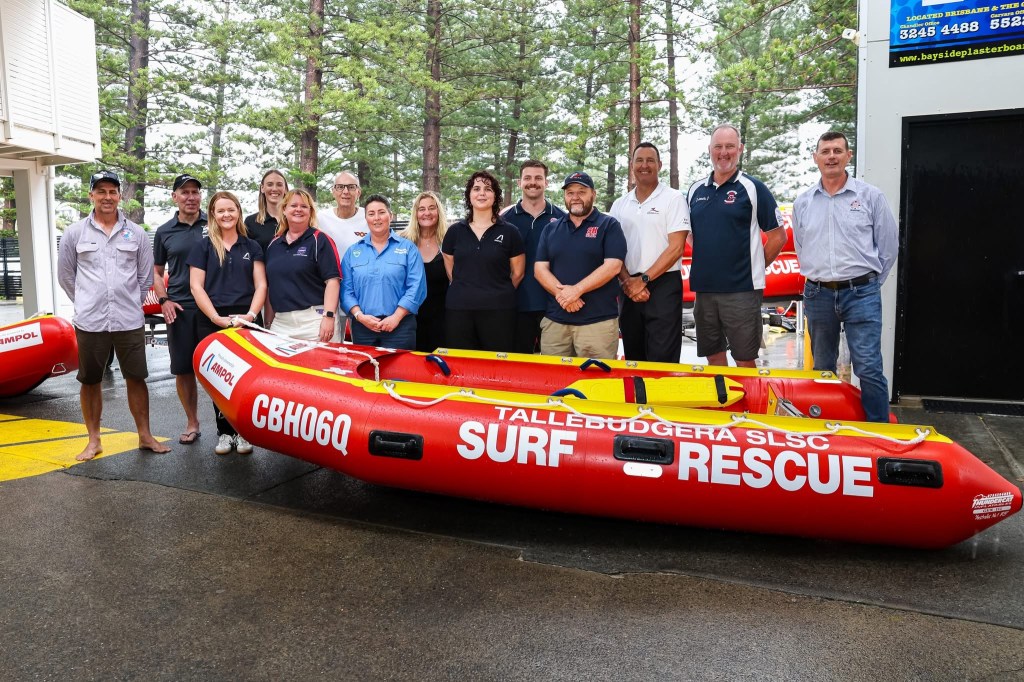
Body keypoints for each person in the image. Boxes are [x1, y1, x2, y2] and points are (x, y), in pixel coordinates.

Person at [57, 170, 171, 461]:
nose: (107, 197)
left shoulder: (136, 233)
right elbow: (66, 276)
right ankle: (93, 440)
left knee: (136, 377)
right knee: (90, 380)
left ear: (120, 196)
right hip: (90, 321)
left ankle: (145, 436)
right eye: (101, 191)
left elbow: (145, 277)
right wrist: (86, 300)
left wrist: (129, 301)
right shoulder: (74, 233)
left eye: (112, 192)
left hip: (128, 320)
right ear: (91, 195)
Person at [792, 131, 898, 422]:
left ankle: (878, 432)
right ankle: (826, 428)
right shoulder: (803, 203)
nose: (831, 157)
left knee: (868, 367)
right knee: (822, 368)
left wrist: (868, 283)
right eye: (825, 151)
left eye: (837, 151)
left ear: (848, 156)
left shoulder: (870, 196)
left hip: (861, 293)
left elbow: (888, 247)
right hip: (818, 294)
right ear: (816, 158)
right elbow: (802, 247)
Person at [686, 124, 788, 367]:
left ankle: (747, 396)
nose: (724, 152)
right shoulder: (695, 190)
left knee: (744, 359)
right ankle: (722, 394)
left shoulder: (753, 188)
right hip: (705, 291)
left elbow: (778, 237)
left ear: (740, 149)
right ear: (710, 150)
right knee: (713, 356)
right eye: (718, 147)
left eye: (730, 146)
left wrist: (754, 266)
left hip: (742, 291)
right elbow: (690, 235)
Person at [188, 191, 268, 454]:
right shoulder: (203, 246)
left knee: (247, 379)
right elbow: (196, 287)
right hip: (213, 320)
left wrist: (251, 315)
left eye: (231, 209)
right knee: (219, 380)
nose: (226, 215)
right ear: (213, 214)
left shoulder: (251, 246)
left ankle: (243, 432)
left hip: (246, 320)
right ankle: (224, 433)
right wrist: (215, 318)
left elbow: (261, 285)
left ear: (238, 212)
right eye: (220, 210)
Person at [610, 143, 690, 363]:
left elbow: (676, 247)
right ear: (632, 165)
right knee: (634, 356)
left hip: (663, 285)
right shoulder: (620, 205)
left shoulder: (673, 199)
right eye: (639, 160)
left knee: (662, 358)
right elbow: (613, 250)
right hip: (628, 285)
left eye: (650, 160)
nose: (644, 165)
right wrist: (628, 281)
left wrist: (643, 280)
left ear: (659, 165)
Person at [534, 172, 626, 359]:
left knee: (596, 377)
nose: (575, 197)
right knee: (553, 376)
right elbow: (540, 269)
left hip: (597, 324)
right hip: (555, 323)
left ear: (593, 194)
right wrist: (564, 295)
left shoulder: (609, 225)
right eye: (570, 192)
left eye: (581, 192)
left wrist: (576, 290)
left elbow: (613, 266)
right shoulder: (551, 228)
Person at [441, 171, 525, 352]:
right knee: (461, 362)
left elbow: (518, 273)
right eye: (476, 189)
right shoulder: (455, 231)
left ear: (495, 196)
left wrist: (496, 293)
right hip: (459, 310)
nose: (482, 193)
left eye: (488, 189)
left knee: (497, 363)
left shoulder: (510, 232)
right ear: (469, 195)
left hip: (500, 311)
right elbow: (450, 267)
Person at [152, 173, 208, 445]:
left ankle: (229, 427)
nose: (191, 197)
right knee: (184, 369)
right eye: (185, 192)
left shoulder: (214, 224)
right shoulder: (164, 231)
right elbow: (156, 272)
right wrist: (164, 300)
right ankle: (192, 422)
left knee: (222, 369)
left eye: (195, 192)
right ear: (174, 197)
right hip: (181, 308)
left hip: (213, 308)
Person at [342, 195, 427, 349]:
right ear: (366, 218)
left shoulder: (408, 249)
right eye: (371, 213)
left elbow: (417, 287)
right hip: (363, 328)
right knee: (366, 365)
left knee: (401, 366)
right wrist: (359, 316)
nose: (377, 218)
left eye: (381, 212)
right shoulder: (352, 252)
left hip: (400, 327)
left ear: (390, 215)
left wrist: (396, 317)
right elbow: (346, 291)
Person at [503, 160, 566, 354]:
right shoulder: (505, 219)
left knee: (552, 364)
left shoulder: (562, 218)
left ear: (546, 182)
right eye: (527, 178)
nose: (533, 182)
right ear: (519, 182)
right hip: (516, 304)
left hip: (553, 305)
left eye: (538, 178)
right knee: (519, 363)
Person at [263, 189, 341, 342]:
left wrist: (329, 316)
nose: (298, 209)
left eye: (304, 206)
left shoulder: (320, 240)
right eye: (293, 205)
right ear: (284, 209)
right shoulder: (274, 244)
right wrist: (267, 322)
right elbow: (271, 287)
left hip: (315, 321)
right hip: (281, 323)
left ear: (310, 212)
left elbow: (333, 281)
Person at [400, 191, 449, 352]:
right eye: (422, 209)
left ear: (438, 211)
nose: (427, 213)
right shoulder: (402, 241)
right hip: (408, 317)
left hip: (442, 317)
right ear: (415, 213)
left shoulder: (449, 239)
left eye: (431, 208)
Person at [244, 169, 289, 253]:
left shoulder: (294, 220)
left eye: (279, 185)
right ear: (262, 188)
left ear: (285, 189)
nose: (274, 189)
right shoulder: (251, 222)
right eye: (270, 184)